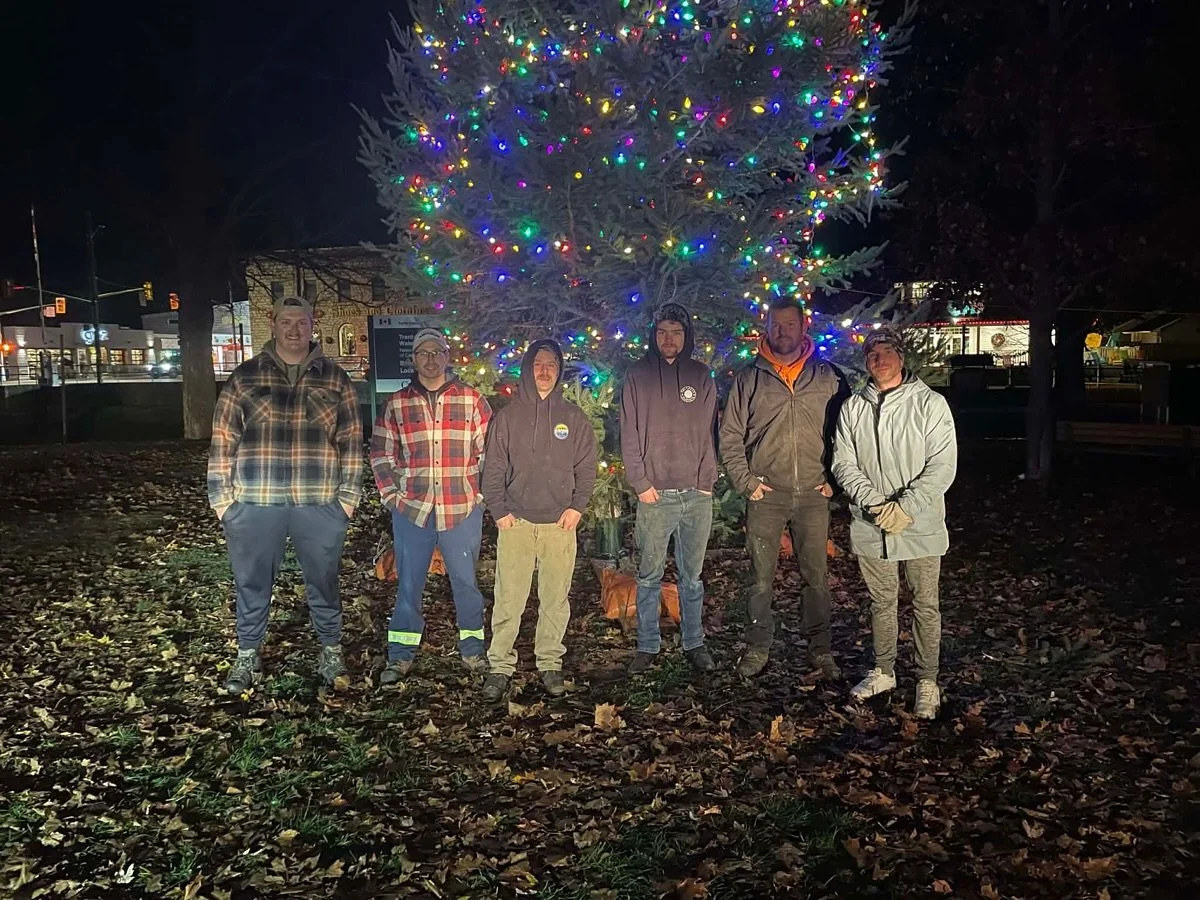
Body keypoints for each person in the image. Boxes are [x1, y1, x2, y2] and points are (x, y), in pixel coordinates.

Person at [208, 295, 362, 693]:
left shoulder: (335, 379)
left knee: (324, 580)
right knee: (252, 581)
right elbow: (223, 439)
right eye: (287, 322)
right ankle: (248, 652)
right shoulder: (245, 377)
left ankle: (330, 648)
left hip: (320, 502)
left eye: (302, 322)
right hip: (256, 501)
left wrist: (347, 499)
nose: (295, 330)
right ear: (273, 322)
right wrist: (222, 501)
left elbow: (350, 441)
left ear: (313, 325)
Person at [718, 299, 848, 680]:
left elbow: (849, 431)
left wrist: (835, 481)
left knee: (816, 576)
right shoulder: (749, 378)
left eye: (790, 324)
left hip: (813, 494)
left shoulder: (828, 376)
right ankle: (758, 646)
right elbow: (729, 435)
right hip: (767, 494)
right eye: (776, 324)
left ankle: (820, 648)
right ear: (767, 327)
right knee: (760, 578)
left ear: (804, 326)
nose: (783, 331)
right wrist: (746, 482)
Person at [832, 326, 957, 719]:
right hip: (871, 523)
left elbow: (942, 465)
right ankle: (884, 670)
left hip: (919, 522)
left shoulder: (930, 404)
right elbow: (843, 463)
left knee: (925, 604)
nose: (879, 359)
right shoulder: (853, 408)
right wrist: (874, 504)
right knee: (881, 601)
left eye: (887, 352)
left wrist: (906, 507)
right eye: (872, 354)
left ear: (901, 357)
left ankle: (927, 680)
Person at [370, 327, 493, 683]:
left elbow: (490, 454)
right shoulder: (397, 404)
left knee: (466, 583)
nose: (430, 359)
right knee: (408, 584)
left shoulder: (472, 401)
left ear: (447, 356)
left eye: (436, 352)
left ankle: (473, 649)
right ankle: (401, 654)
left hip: (461, 509)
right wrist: (392, 497)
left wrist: (480, 497)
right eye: (423, 353)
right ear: (414, 359)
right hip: (412, 510)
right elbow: (381, 453)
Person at [479, 339, 598, 700]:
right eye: (538, 364)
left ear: (559, 371)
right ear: (528, 369)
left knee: (555, 599)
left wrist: (577, 506)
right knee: (508, 599)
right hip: (516, 523)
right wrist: (500, 511)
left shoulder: (573, 418)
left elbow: (587, 466)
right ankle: (500, 666)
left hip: (559, 524)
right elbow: (493, 467)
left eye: (551, 365)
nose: (544, 371)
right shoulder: (508, 418)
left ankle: (549, 662)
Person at [620, 302, 718, 675]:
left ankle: (694, 641)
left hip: (696, 494)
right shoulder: (638, 376)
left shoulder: (701, 375)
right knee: (649, 575)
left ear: (686, 335)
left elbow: (710, 432)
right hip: (655, 494)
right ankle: (647, 644)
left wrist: (706, 481)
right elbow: (629, 432)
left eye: (676, 332)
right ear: (654, 335)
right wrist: (641, 482)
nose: (669, 339)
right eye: (662, 332)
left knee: (692, 577)